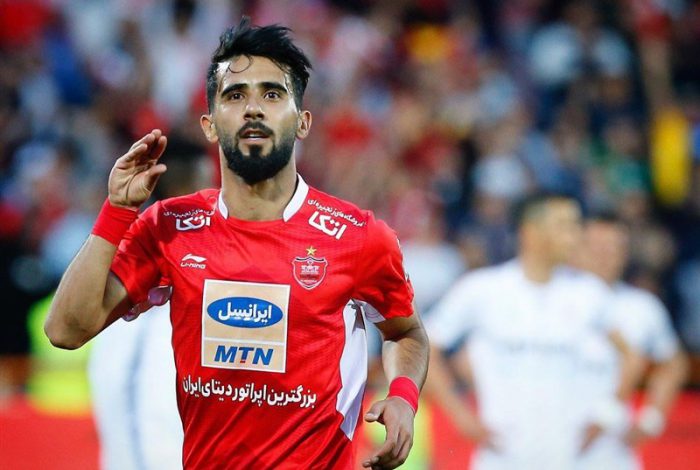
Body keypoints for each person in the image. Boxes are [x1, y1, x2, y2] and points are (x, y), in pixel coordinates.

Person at [44, 17, 429, 470]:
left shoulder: (358, 237)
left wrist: (403, 396)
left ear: (302, 122)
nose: (253, 109)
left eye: (272, 94)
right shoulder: (170, 227)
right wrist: (116, 212)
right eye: (235, 95)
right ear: (210, 125)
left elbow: (406, 332)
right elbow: (65, 330)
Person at [424, 193, 639, 470]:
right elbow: (425, 346)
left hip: (572, 459)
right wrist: (460, 415)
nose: (576, 236)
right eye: (565, 225)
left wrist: (605, 415)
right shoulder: (483, 289)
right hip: (502, 458)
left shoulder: (589, 294)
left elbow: (632, 356)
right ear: (531, 232)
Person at [575, 214, 688, 470]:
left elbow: (673, 364)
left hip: (610, 449)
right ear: (576, 249)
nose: (604, 256)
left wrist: (652, 418)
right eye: (596, 247)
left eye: (613, 248)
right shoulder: (550, 301)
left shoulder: (642, 307)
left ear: (625, 254)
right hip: (550, 438)